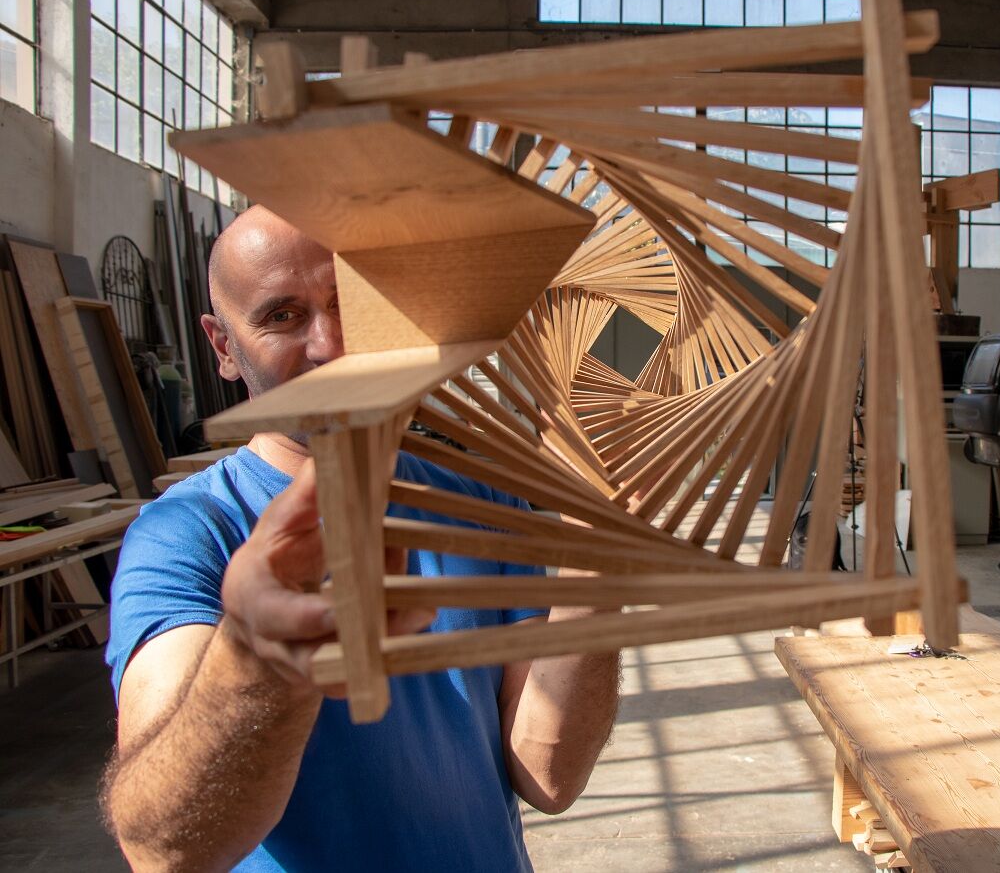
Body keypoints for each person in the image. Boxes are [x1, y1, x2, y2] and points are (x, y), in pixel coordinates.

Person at [99, 206, 621, 872]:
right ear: (224, 346)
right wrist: (263, 662)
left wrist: (599, 548)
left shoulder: (481, 501)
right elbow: (164, 848)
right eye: (283, 316)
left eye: (350, 304)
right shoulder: (186, 535)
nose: (332, 346)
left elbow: (546, 774)